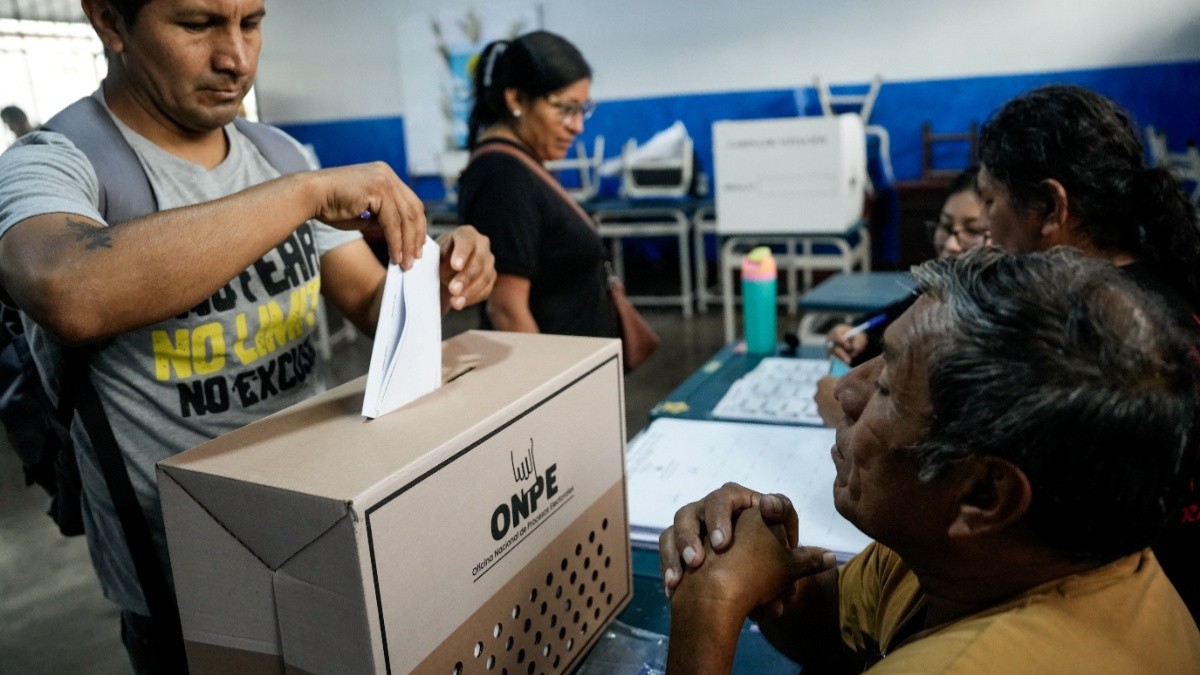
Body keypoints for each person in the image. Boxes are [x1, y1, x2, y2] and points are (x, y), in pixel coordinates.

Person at [0, 0, 495, 671]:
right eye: (198, 24)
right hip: (188, 586)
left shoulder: (279, 154)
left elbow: (371, 303)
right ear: (110, 22)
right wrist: (302, 195)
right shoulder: (54, 164)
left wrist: (442, 274)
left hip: (320, 539)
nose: (235, 57)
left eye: (252, 23)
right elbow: (68, 289)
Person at [660, 248, 1200, 673]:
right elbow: (837, 624)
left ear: (984, 495)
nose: (847, 392)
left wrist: (708, 610)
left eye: (890, 388)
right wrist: (777, 573)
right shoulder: (979, 551)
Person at [974, 84, 1200, 623]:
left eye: (990, 201)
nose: (985, 228)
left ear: (1051, 207)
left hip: (1131, 617)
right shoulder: (1170, 280)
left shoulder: (1076, 335)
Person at [457, 30, 617, 339]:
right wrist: (552, 386)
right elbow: (505, 310)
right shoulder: (501, 179)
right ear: (516, 98)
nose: (577, 126)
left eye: (582, 109)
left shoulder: (521, 166)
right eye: (565, 109)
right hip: (558, 376)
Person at [814, 165, 983, 425]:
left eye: (973, 230)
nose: (950, 244)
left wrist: (846, 412)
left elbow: (939, 426)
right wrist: (857, 336)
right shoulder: (935, 291)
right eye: (946, 226)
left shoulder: (990, 326)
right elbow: (891, 317)